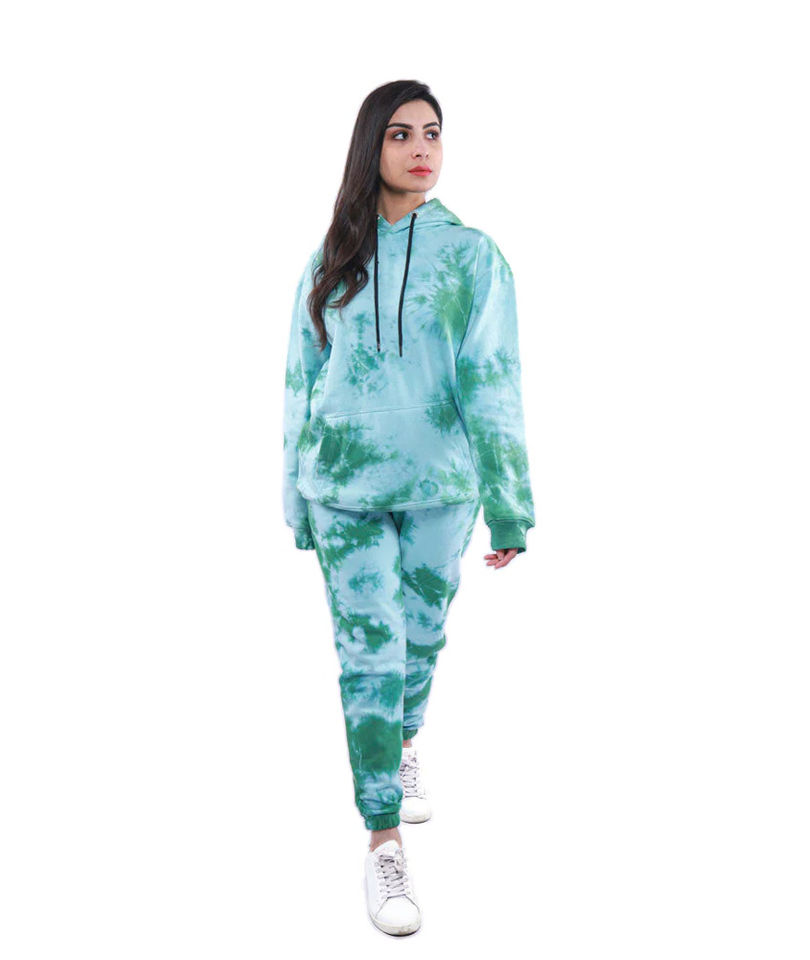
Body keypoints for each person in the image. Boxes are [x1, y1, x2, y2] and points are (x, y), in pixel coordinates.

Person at [281, 79, 535, 936]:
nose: (422, 148)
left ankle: (405, 740)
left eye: (432, 132)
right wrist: (295, 497)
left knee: (421, 638)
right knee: (369, 656)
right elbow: (300, 378)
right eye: (400, 134)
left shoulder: (473, 257)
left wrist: (510, 504)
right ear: (371, 147)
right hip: (342, 484)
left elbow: (494, 380)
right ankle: (382, 836)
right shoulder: (331, 257)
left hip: (441, 488)